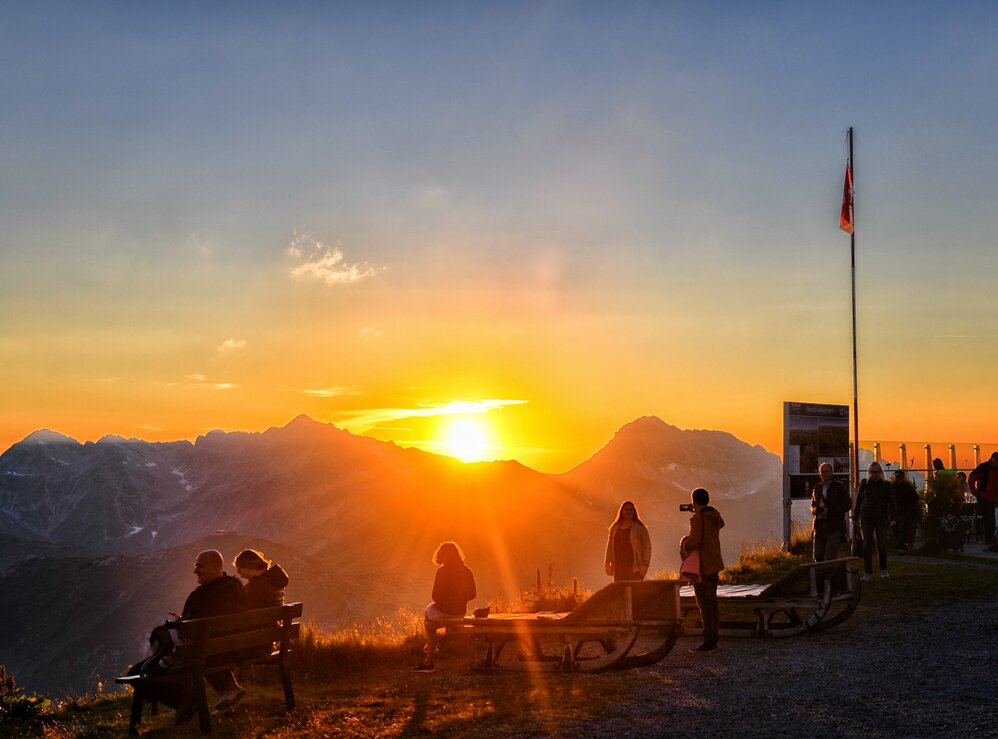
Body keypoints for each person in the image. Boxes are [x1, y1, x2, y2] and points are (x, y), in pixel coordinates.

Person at [130, 550, 247, 720]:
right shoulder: (237, 588)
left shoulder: (200, 596)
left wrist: (181, 623)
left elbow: (190, 632)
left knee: (137, 673)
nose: (195, 571)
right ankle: (222, 690)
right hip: (232, 650)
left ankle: (186, 702)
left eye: (199, 566)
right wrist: (187, 622)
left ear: (215, 568)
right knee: (203, 649)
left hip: (204, 654)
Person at [415, 541, 477, 672]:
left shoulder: (442, 572)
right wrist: (460, 600)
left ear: (441, 556)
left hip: (445, 611)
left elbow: (435, 596)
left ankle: (429, 659)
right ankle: (432, 645)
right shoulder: (467, 570)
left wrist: (444, 603)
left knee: (428, 619)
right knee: (429, 612)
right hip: (460, 612)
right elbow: (473, 594)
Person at [680, 488, 724, 653]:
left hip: (703, 565)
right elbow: (719, 526)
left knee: (704, 603)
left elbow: (696, 541)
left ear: (694, 500)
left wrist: (685, 543)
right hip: (715, 562)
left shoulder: (698, 518)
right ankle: (714, 637)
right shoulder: (714, 516)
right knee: (712, 602)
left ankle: (708, 640)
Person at [852, 462, 897, 582]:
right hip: (866, 517)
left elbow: (892, 502)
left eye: (876, 472)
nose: (874, 475)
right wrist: (855, 517)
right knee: (867, 545)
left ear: (880, 472)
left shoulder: (886, 485)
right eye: (872, 472)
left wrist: (893, 518)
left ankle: (883, 569)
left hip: (881, 518)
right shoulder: (864, 484)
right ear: (869, 472)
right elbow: (859, 500)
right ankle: (868, 573)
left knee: (881, 545)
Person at [810, 462, 852, 561]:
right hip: (819, 525)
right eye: (822, 471)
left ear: (831, 472)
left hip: (834, 525)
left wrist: (829, 511)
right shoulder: (817, 487)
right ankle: (821, 575)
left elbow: (847, 505)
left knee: (831, 556)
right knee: (817, 555)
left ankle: (831, 575)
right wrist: (814, 510)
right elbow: (812, 503)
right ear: (820, 473)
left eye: (827, 471)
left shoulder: (839, 487)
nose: (824, 473)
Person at [603, 500, 652, 582]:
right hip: (618, 569)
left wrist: (645, 564)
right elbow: (609, 547)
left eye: (631, 510)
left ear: (634, 512)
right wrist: (607, 563)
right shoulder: (614, 528)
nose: (628, 512)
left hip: (635, 569)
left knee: (635, 592)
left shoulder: (640, 528)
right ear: (622, 511)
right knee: (620, 593)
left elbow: (647, 546)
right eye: (626, 510)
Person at [968, 452, 998, 551]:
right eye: (996, 460)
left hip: (995, 497)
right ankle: (989, 540)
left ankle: (993, 539)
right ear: (992, 459)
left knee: (992, 519)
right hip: (984, 496)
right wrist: (974, 491)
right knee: (989, 519)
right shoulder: (984, 467)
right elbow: (972, 477)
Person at [891, 470, 920, 554]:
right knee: (896, 529)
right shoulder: (892, 487)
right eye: (897, 477)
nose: (898, 479)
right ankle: (900, 546)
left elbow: (915, 499)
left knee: (900, 529)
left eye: (899, 477)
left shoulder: (908, 487)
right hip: (894, 512)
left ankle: (900, 548)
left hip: (904, 511)